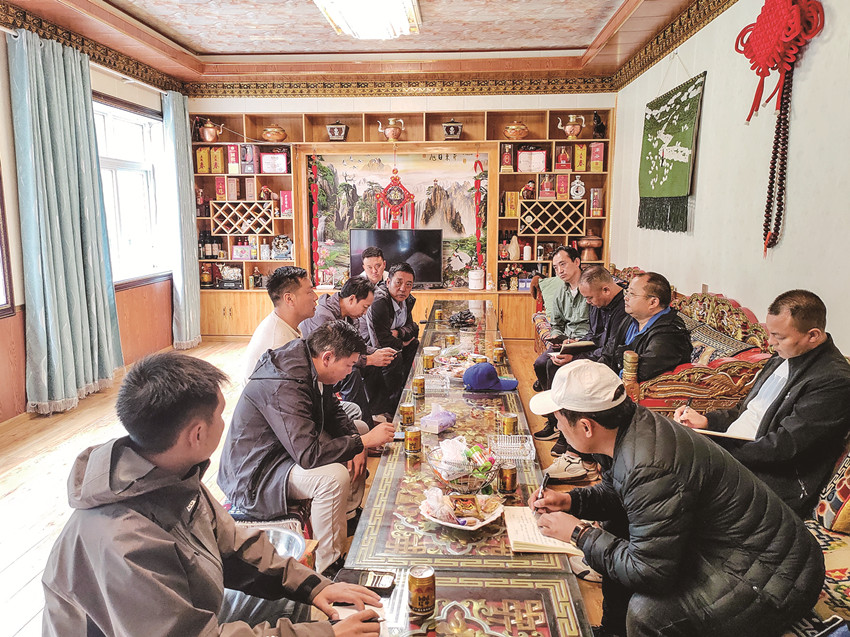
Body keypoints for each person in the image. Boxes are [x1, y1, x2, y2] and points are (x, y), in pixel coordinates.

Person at [42, 352, 383, 637]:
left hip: (191, 610)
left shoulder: (166, 473)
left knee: (297, 603)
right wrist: (323, 634)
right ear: (197, 434)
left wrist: (314, 586)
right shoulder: (124, 542)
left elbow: (232, 544)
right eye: (221, 415)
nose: (225, 422)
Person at [529, 360, 824, 637]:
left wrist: (579, 533)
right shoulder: (628, 427)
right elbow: (619, 494)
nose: (558, 427)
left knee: (648, 614)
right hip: (740, 548)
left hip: (777, 578)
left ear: (586, 426)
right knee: (615, 526)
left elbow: (650, 573)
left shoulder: (649, 465)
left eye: (559, 420)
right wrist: (570, 502)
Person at [219, 321, 395, 575]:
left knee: (359, 428)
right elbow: (308, 454)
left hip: (283, 450)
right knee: (333, 478)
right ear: (328, 357)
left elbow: (332, 411)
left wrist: (357, 440)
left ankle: (347, 514)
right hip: (256, 471)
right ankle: (327, 565)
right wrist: (362, 443)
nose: (349, 372)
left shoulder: (309, 361)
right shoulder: (284, 383)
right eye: (348, 365)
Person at [674, 289, 850, 516]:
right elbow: (746, 409)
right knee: (657, 455)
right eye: (770, 333)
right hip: (738, 457)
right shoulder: (783, 356)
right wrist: (707, 422)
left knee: (669, 482)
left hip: (772, 479)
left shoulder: (833, 380)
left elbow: (784, 447)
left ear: (813, 335)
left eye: (780, 337)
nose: (770, 342)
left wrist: (716, 450)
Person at [535, 265, 626, 447]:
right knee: (548, 362)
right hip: (596, 351)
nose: (588, 302)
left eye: (589, 298)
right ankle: (556, 423)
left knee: (559, 367)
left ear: (606, 290)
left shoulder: (624, 309)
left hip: (607, 360)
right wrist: (575, 344)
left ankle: (567, 433)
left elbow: (610, 349)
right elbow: (593, 335)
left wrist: (576, 358)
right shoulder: (597, 302)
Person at [299, 277, 397, 427]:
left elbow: (358, 345)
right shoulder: (323, 317)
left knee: (377, 364)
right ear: (352, 299)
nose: (365, 313)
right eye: (365, 307)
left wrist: (378, 353)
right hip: (319, 369)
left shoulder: (350, 316)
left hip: (337, 359)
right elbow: (334, 357)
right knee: (351, 374)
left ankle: (378, 414)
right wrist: (369, 359)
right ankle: (362, 426)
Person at [532, 246, 590, 455]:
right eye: (556, 267)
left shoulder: (589, 287)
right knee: (540, 363)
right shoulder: (561, 292)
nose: (560, 271)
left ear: (577, 262)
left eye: (563, 264)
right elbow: (556, 324)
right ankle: (553, 421)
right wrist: (556, 340)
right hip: (565, 341)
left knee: (553, 367)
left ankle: (565, 431)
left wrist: (577, 341)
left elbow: (597, 327)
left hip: (586, 343)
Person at [597, 271, 691, 382]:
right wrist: (596, 372)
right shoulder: (631, 319)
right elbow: (609, 353)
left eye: (632, 294)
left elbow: (641, 371)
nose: (625, 298)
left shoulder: (670, 333)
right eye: (626, 292)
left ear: (653, 302)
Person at [240, 266, 318, 386]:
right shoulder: (278, 345)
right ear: (289, 299)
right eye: (309, 292)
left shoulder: (285, 324)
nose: (315, 297)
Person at [364, 262, 419, 417]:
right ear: (388, 282)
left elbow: (413, 329)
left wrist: (398, 333)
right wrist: (402, 342)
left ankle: (405, 392)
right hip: (368, 346)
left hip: (391, 343)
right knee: (394, 355)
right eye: (398, 282)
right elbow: (381, 342)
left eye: (408, 284)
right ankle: (388, 407)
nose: (403, 289)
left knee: (414, 345)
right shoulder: (379, 301)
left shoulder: (407, 299)